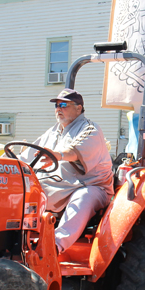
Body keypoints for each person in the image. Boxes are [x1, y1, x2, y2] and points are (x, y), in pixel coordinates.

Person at [26, 89, 114, 253]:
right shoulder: (53, 131)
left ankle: (53, 247)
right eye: (57, 105)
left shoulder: (90, 129)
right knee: (23, 189)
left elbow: (76, 151)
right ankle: (19, 238)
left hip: (90, 186)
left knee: (83, 197)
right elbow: (27, 155)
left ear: (79, 108)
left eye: (64, 105)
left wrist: (57, 155)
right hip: (58, 185)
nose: (59, 109)